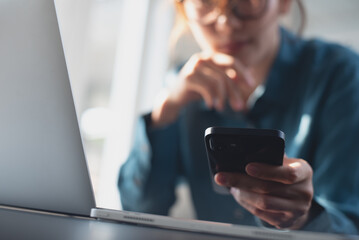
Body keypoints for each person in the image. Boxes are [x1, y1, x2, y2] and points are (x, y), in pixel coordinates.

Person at [118, 0, 359, 234]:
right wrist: (165, 110)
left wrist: (304, 218)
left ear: (284, 3)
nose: (226, 24)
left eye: (247, 1)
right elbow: (139, 210)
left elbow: (350, 225)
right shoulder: (182, 87)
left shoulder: (339, 76)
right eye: (205, 2)